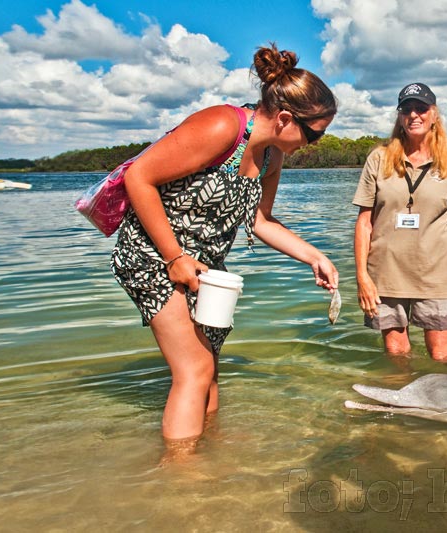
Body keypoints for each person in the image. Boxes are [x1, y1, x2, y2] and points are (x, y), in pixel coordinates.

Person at [111, 44, 338, 453]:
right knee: (193, 369)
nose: (315, 143)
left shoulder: (271, 156)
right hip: (153, 255)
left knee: (209, 369)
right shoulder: (222, 127)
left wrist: (315, 256)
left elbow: (260, 220)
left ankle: (213, 460)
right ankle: (182, 477)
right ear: (286, 119)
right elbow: (139, 177)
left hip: (207, 270)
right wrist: (174, 258)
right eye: (314, 134)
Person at [353, 83, 447, 361]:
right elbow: (364, 223)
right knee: (396, 355)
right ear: (399, 116)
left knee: (443, 356)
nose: (414, 115)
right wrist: (362, 277)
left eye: (421, 108)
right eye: (407, 109)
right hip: (386, 276)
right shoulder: (379, 159)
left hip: (436, 277)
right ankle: (400, 403)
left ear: (434, 114)